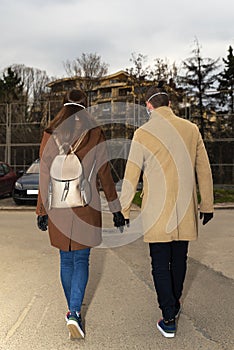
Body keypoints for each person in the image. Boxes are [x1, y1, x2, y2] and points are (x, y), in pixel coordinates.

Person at [120, 83, 214, 338]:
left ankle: (168, 316)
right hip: (184, 209)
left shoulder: (143, 133)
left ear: (149, 106)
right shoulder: (191, 129)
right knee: (180, 259)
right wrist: (207, 204)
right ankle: (175, 301)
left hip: (156, 212)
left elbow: (132, 173)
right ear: (169, 104)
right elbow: (203, 169)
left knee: (160, 264)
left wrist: (124, 210)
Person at [36, 89, 125, 340]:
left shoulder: (50, 134)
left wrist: (42, 210)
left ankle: (72, 311)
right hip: (86, 205)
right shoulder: (95, 133)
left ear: (64, 106)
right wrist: (116, 209)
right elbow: (105, 173)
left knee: (66, 260)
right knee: (81, 260)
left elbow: (44, 173)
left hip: (58, 207)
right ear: (85, 107)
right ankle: (74, 312)